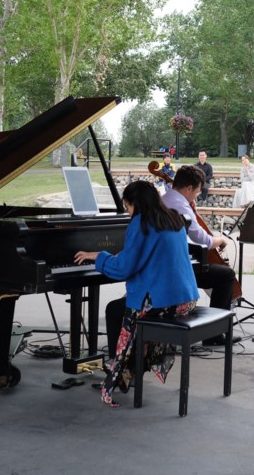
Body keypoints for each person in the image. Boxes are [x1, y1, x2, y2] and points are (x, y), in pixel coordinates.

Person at [73, 180, 199, 408]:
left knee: (114, 310)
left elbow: (124, 268)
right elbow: (145, 253)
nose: (128, 212)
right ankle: (130, 371)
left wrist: (98, 256)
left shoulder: (141, 222)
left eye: (127, 207)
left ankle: (120, 373)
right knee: (125, 304)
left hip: (165, 303)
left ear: (134, 203)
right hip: (186, 299)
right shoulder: (172, 218)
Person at [160, 166, 239, 346]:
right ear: (188, 189)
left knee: (218, 273)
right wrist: (221, 240)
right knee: (226, 276)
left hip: (162, 264)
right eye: (196, 191)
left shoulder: (164, 200)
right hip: (177, 269)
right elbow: (202, 239)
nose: (196, 195)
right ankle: (214, 335)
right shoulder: (181, 206)